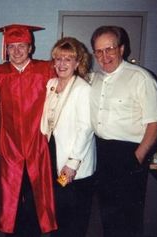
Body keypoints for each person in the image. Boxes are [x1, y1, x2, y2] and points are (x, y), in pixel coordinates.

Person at [89, 25, 157, 237]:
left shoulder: (141, 78)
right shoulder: (93, 79)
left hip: (129, 154)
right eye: (99, 51)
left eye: (110, 49)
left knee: (128, 218)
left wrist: (137, 157)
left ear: (122, 49)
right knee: (106, 213)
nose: (104, 56)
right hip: (102, 152)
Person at [0, 24, 57, 237]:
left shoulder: (46, 69)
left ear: (31, 47)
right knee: (11, 193)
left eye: (22, 46)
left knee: (35, 194)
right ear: (5, 49)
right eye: (11, 46)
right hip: (9, 142)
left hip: (39, 141)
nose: (16, 51)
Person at [40, 37, 96, 237]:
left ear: (77, 63)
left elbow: (86, 128)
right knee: (58, 210)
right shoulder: (51, 84)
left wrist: (72, 164)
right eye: (58, 58)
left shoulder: (83, 89)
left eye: (68, 59)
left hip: (73, 162)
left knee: (73, 215)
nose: (62, 64)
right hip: (53, 155)